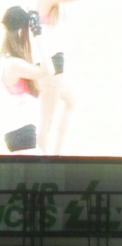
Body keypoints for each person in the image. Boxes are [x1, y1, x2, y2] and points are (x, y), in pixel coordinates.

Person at [1, 6, 53, 154]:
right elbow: (49, 71)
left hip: (19, 134)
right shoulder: (13, 65)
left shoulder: (8, 61)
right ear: (20, 32)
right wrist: (38, 35)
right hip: (22, 134)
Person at [36, 0, 75, 154]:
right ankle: (44, 160)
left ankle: (57, 153)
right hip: (51, 62)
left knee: (71, 101)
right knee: (46, 120)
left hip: (54, 60)